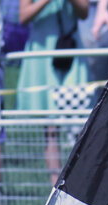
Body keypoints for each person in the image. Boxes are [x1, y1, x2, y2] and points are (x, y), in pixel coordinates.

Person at [15, 0, 89, 186]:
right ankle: (55, 187)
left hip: (70, 50)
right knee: (50, 128)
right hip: (43, 53)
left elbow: (84, 12)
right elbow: (23, 16)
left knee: (78, 122)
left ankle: (80, 183)